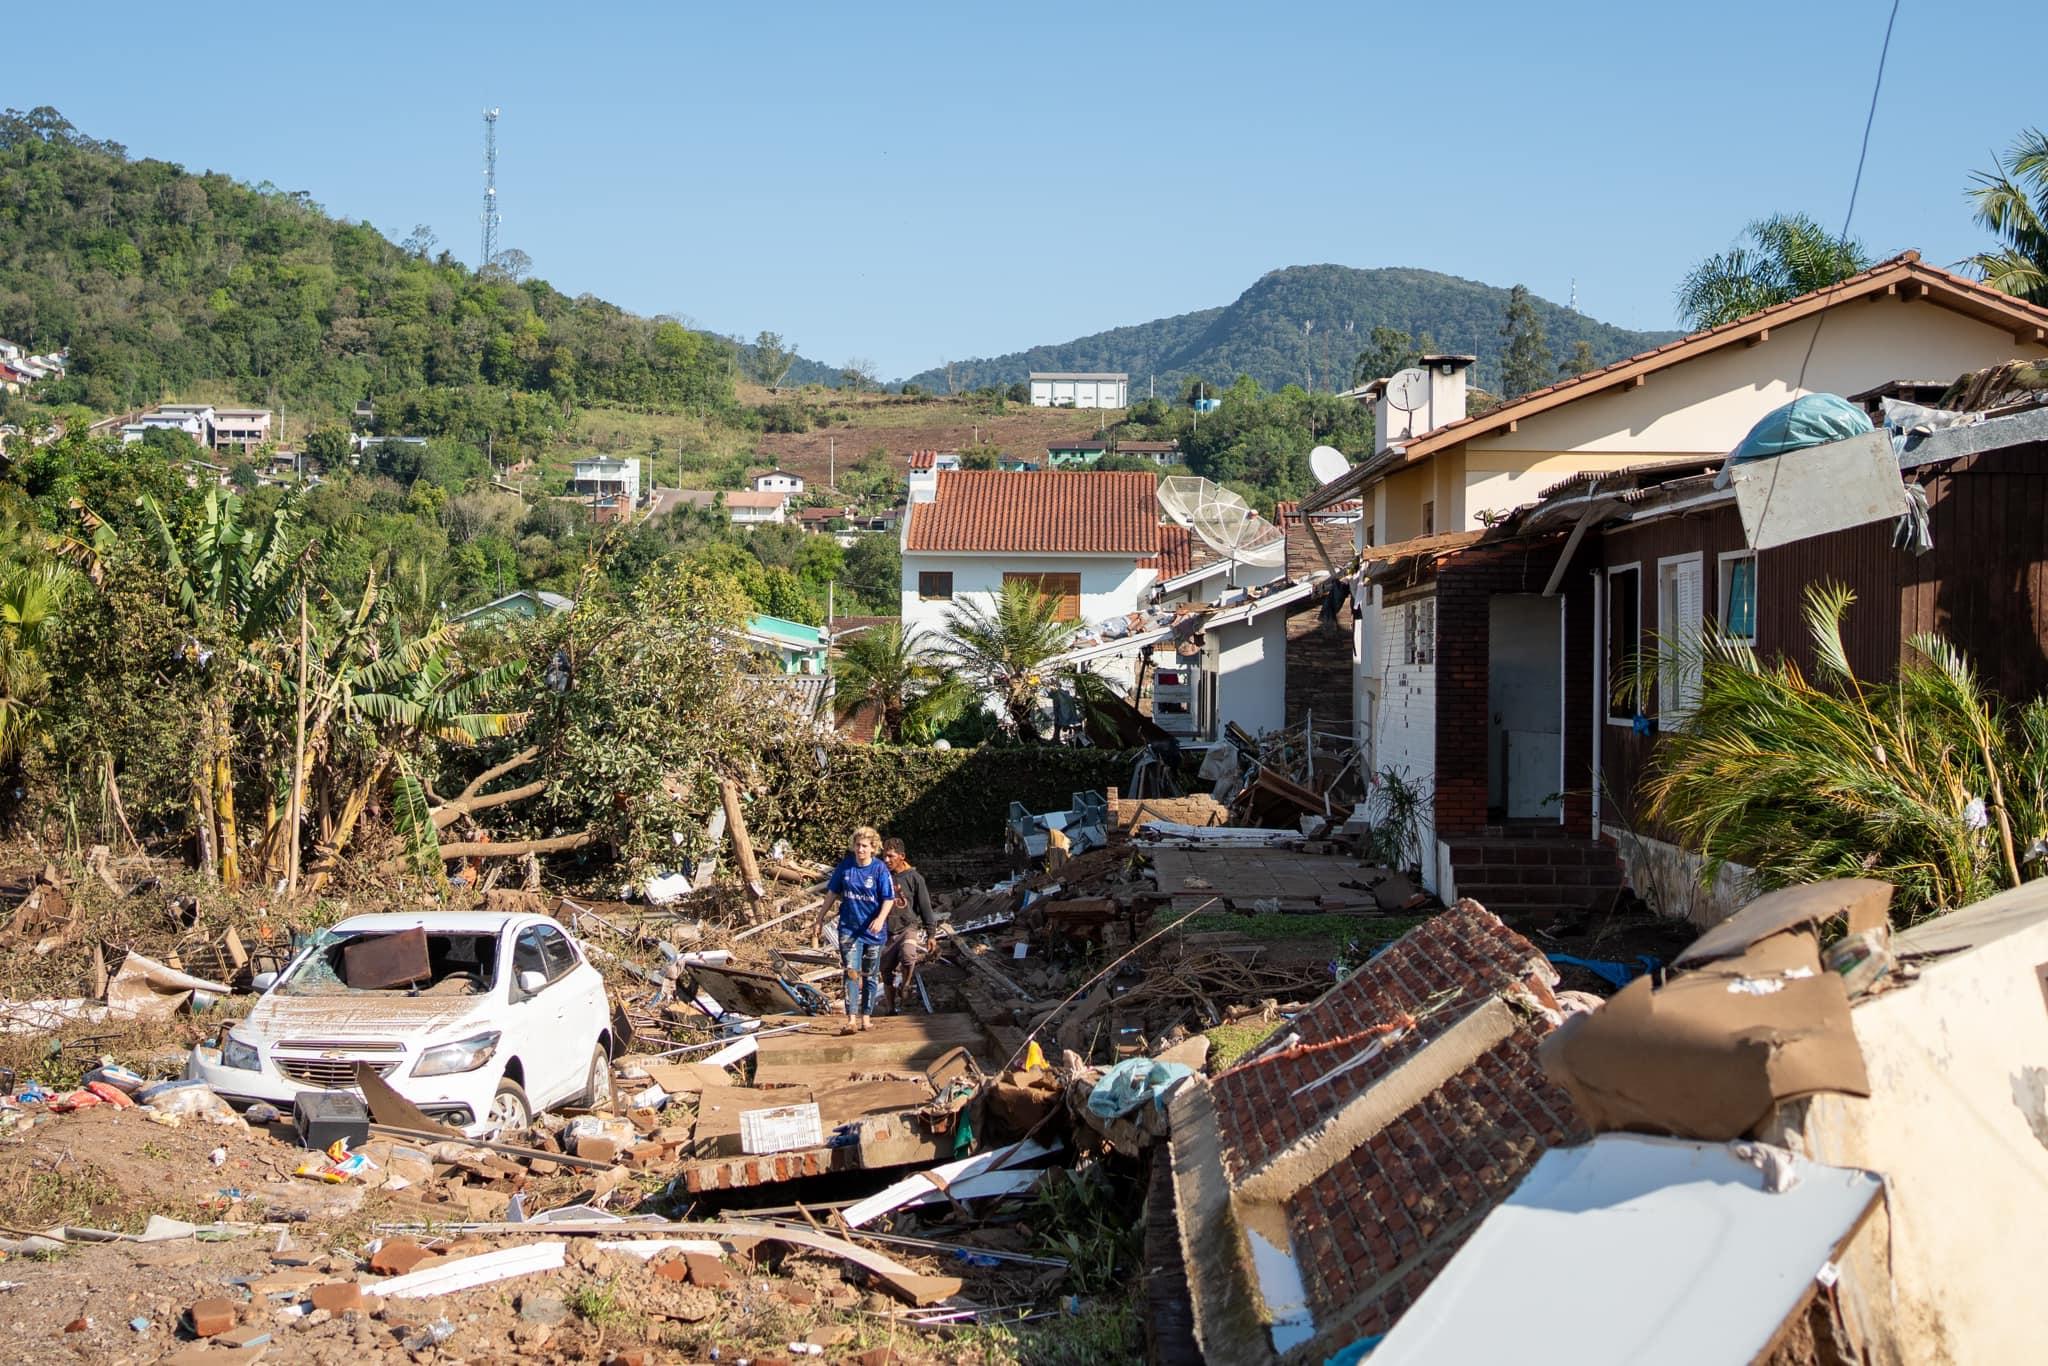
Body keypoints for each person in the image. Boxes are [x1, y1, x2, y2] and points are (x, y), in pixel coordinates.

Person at [814, 826, 894, 1033]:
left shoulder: (879, 870)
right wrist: (820, 918)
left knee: (870, 974)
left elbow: (888, 899)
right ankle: (851, 1019)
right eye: (858, 845)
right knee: (851, 972)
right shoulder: (846, 867)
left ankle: (866, 1016)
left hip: (873, 931)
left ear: (873, 848)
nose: (860, 850)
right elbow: (832, 893)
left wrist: (880, 918)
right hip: (849, 929)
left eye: (865, 846)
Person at [879, 838, 938, 1014]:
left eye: (890, 856)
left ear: (902, 856)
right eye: (884, 856)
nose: (886, 860)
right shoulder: (882, 876)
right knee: (886, 971)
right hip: (886, 929)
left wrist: (931, 934)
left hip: (908, 927)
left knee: (908, 956)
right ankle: (890, 1009)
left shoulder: (914, 878)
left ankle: (905, 985)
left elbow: (925, 907)